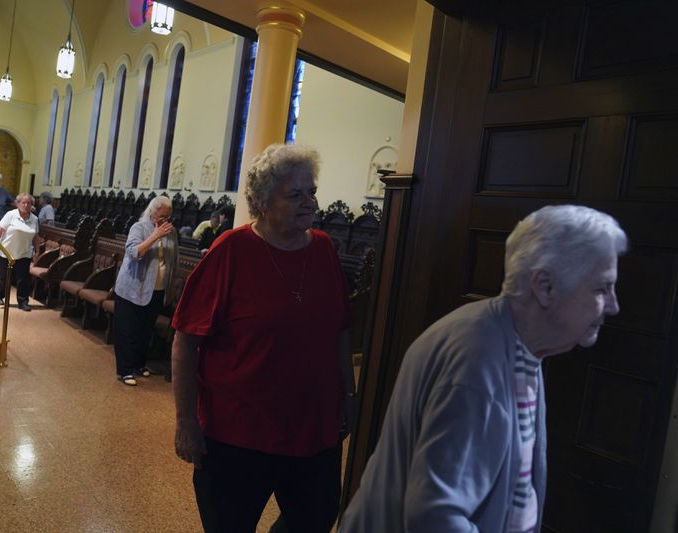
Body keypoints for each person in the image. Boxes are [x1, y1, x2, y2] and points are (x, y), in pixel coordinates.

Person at [339, 205, 628, 532]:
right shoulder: (477, 361)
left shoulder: (518, 342)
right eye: (602, 288)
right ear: (545, 286)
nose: (614, 305)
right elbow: (436, 519)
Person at [171, 144, 356, 533]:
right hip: (239, 435)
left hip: (314, 432)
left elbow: (339, 330)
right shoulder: (231, 251)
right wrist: (186, 421)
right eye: (295, 195)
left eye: (312, 191)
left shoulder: (323, 249)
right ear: (261, 202)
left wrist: (349, 395)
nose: (310, 202)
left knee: (316, 519)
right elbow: (187, 340)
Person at [113, 196, 178, 386]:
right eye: (162, 216)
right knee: (128, 329)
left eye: (168, 216)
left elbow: (173, 261)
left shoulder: (171, 232)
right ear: (152, 212)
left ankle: (139, 365)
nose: (165, 220)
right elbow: (133, 253)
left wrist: (170, 286)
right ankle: (125, 370)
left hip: (156, 289)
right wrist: (155, 236)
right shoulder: (139, 228)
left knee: (145, 329)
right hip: (132, 288)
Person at [0, 193, 41, 312]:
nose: (26, 205)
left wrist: (37, 251)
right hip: (6, 251)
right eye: (23, 202)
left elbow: (35, 236)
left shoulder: (34, 219)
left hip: (24, 253)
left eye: (29, 203)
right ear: (17, 203)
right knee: (5, 277)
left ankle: (23, 301)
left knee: (23, 279)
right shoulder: (10, 215)